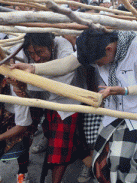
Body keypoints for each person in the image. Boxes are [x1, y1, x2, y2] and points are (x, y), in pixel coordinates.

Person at [12, 29, 137, 183]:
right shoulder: (92, 45)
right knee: (100, 163)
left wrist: (126, 90)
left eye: (98, 63)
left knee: (122, 161)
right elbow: (66, 64)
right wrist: (33, 68)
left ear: (108, 49)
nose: (98, 66)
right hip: (113, 112)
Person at [16, 33, 90, 183]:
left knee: (59, 148)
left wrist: (28, 79)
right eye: (31, 54)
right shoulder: (23, 51)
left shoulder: (63, 45)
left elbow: (64, 78)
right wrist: (20, 86)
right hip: (45, 100)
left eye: (40, 52)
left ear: (51, 45)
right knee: (42, 133)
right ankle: (85, 157)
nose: (36, 58)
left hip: (68, 103)